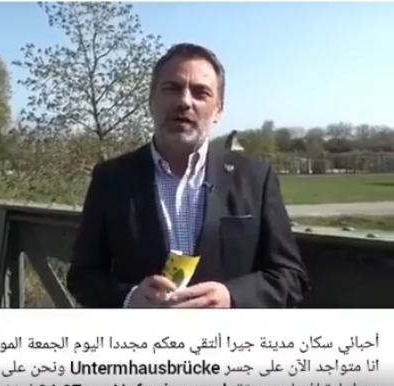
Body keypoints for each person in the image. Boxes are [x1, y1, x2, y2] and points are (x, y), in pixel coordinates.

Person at [67, 43, 309, 308]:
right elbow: (82, 276)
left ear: (218, 110)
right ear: (151, 101)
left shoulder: (256, 178)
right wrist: (128, 297)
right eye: (172, 88)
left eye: (200, 92)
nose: (184, 101)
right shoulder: (111, 178)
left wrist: (232, 297)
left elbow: (290, 277)